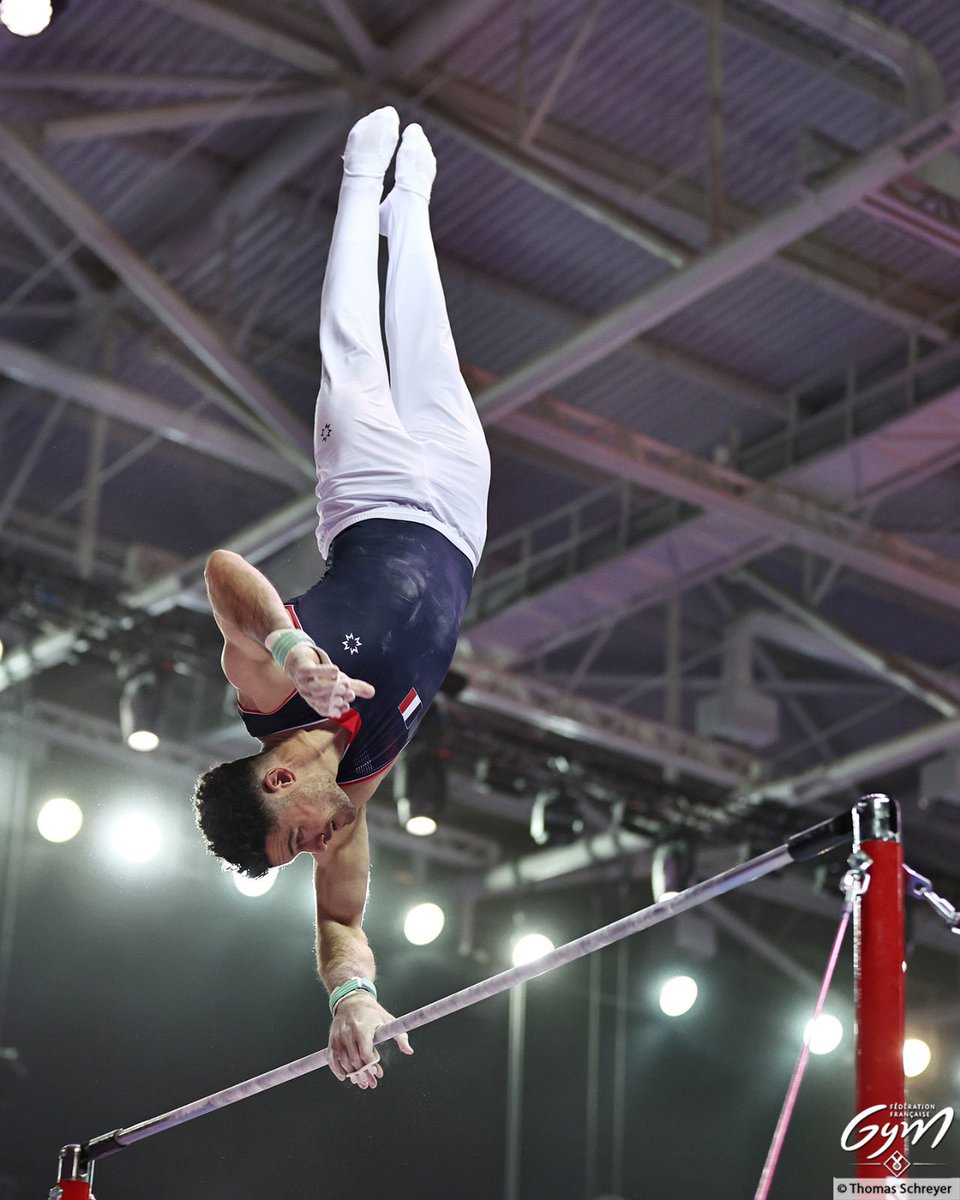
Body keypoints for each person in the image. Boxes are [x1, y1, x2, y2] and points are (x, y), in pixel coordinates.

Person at [192, 107, 490, 1091]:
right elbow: (342, 923)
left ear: (278, 783)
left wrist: (290, 650)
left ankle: (361, 177)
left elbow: (224, 573)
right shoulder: (353, 789)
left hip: (370, 494)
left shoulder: (266, 700)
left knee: (356, 349)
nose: (323, 843)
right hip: (456, 524)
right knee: (433, 346)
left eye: (300, 837)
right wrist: (351, 999)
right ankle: (415, 209)